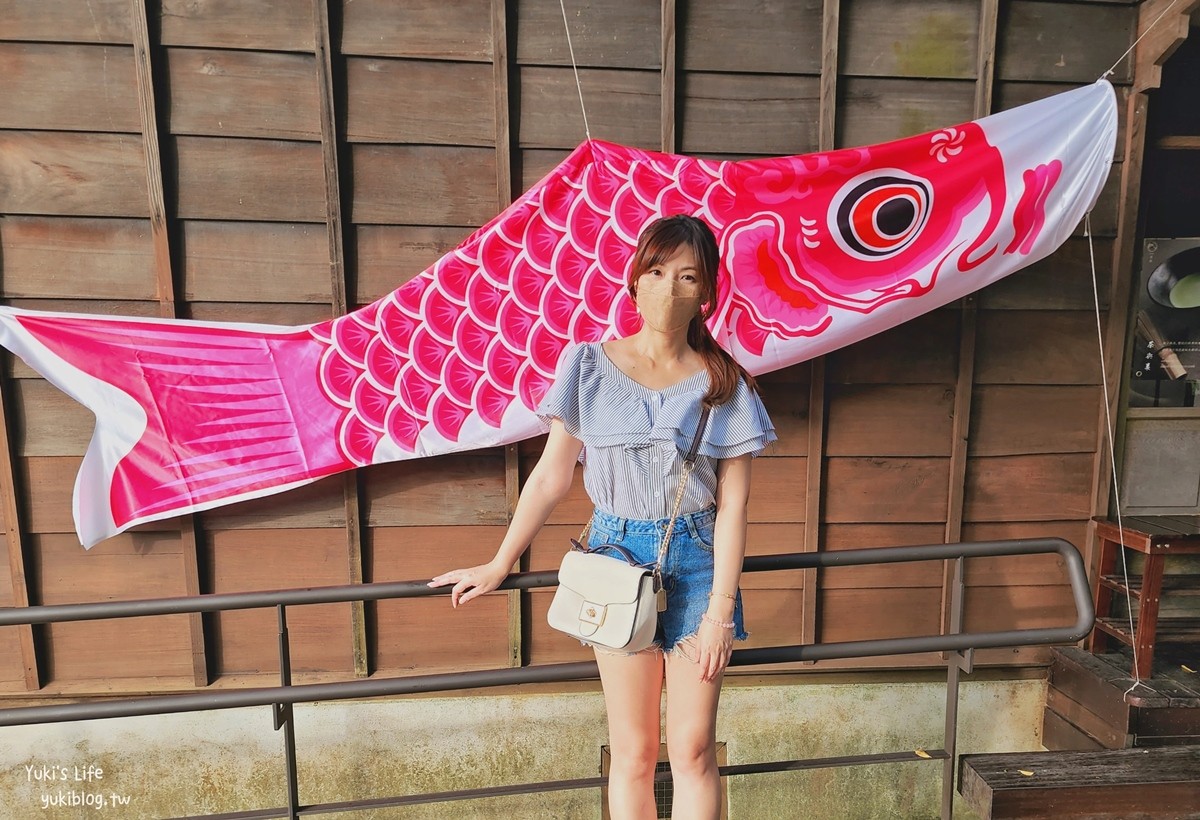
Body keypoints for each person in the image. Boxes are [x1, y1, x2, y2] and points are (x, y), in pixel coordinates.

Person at [430, 214, 776, 819]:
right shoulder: (587, 366)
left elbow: (735, 505)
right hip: (616, 560)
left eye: (688, 277)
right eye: (658, 271)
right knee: (635, 751)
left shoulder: (726, 384)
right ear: (635, 280)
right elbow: (550, 475)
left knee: (692, 750)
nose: (669, 289)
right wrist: (499, 562)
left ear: (707, 294)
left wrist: (721, 609)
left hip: (698, 564)